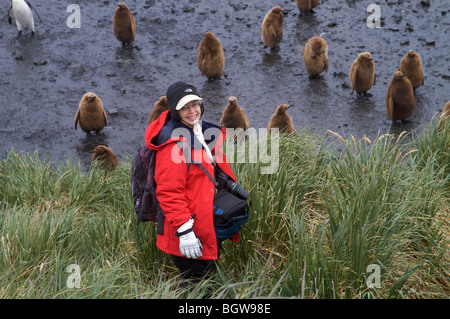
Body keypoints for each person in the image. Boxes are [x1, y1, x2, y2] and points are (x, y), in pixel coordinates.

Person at [144, 81, 238, 280]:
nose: (192, 111)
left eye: (195, 104)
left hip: (204, 225)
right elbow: (168, 193)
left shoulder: (201, 131)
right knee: (200, 285)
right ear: (174, 111)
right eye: (184, 107)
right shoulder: (173, 146)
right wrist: (185, 232)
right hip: (187, 231)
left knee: (206, 281)